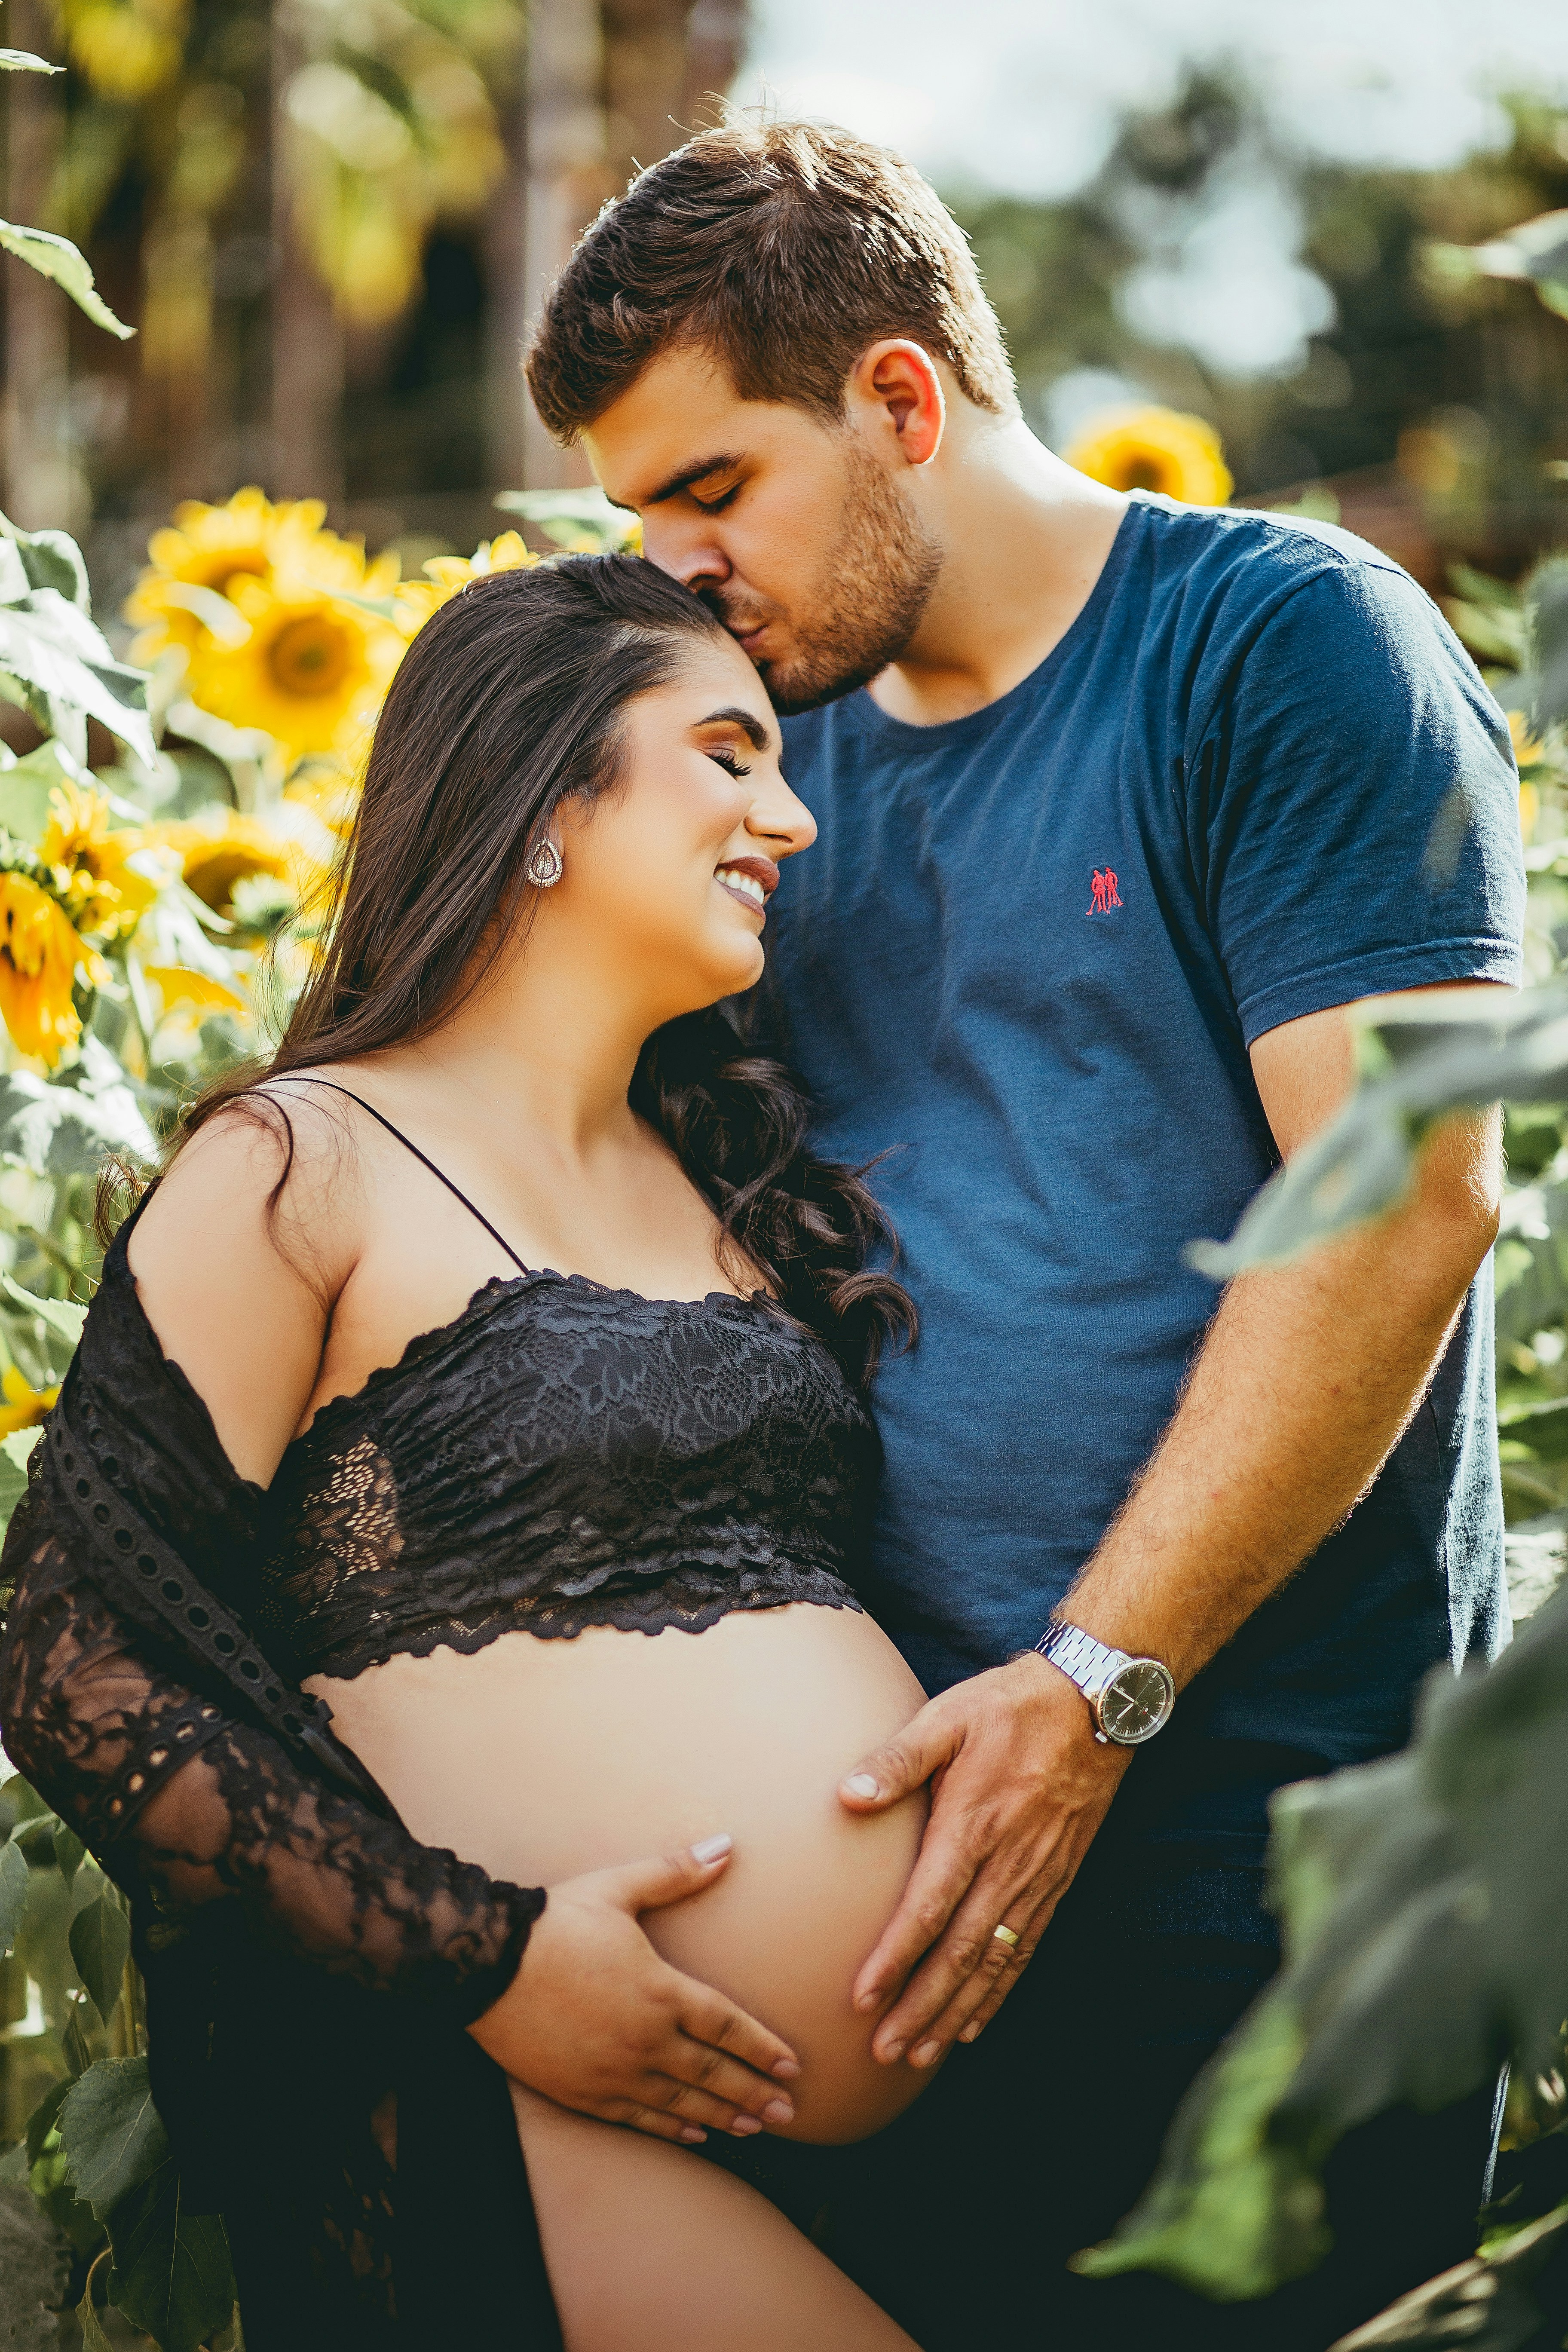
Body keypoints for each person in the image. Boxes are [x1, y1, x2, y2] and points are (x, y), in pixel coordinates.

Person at [524, 118, 1528, 2347]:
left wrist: (1091, 1692)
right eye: (636, 520)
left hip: (1268, 1877)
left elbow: (1409, 1201)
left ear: (901, 400)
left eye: (714, 491)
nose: (678, 569)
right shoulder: (761, 768)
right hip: (885, 1878)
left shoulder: (1284, 651)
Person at [0, 555, 959, 2350]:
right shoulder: (308, 1162)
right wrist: (487, 1958)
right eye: (730, 754)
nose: (791, 818)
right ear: (545, 791)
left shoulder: (728, 1183)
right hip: (497, 2095)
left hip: (863, 2147)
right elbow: (69, 1654)